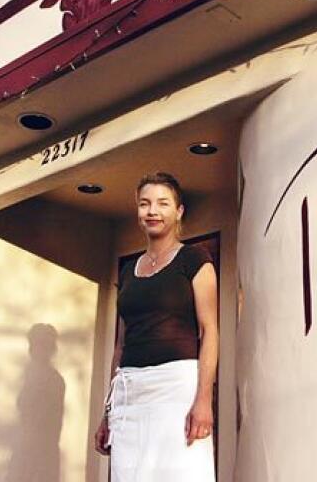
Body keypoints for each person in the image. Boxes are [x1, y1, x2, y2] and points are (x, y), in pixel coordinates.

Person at [94, 172, 218, 481]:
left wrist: (204, 400)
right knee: (129, 475)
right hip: (129, 390)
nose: (153, 211)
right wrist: (107, 411)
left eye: (163, 203)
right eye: (145, 204)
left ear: (178, 212)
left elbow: (210, 331)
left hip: (175, 386)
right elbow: (121, 345)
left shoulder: (195, 259)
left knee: (181, 473)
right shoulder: (128, 271)